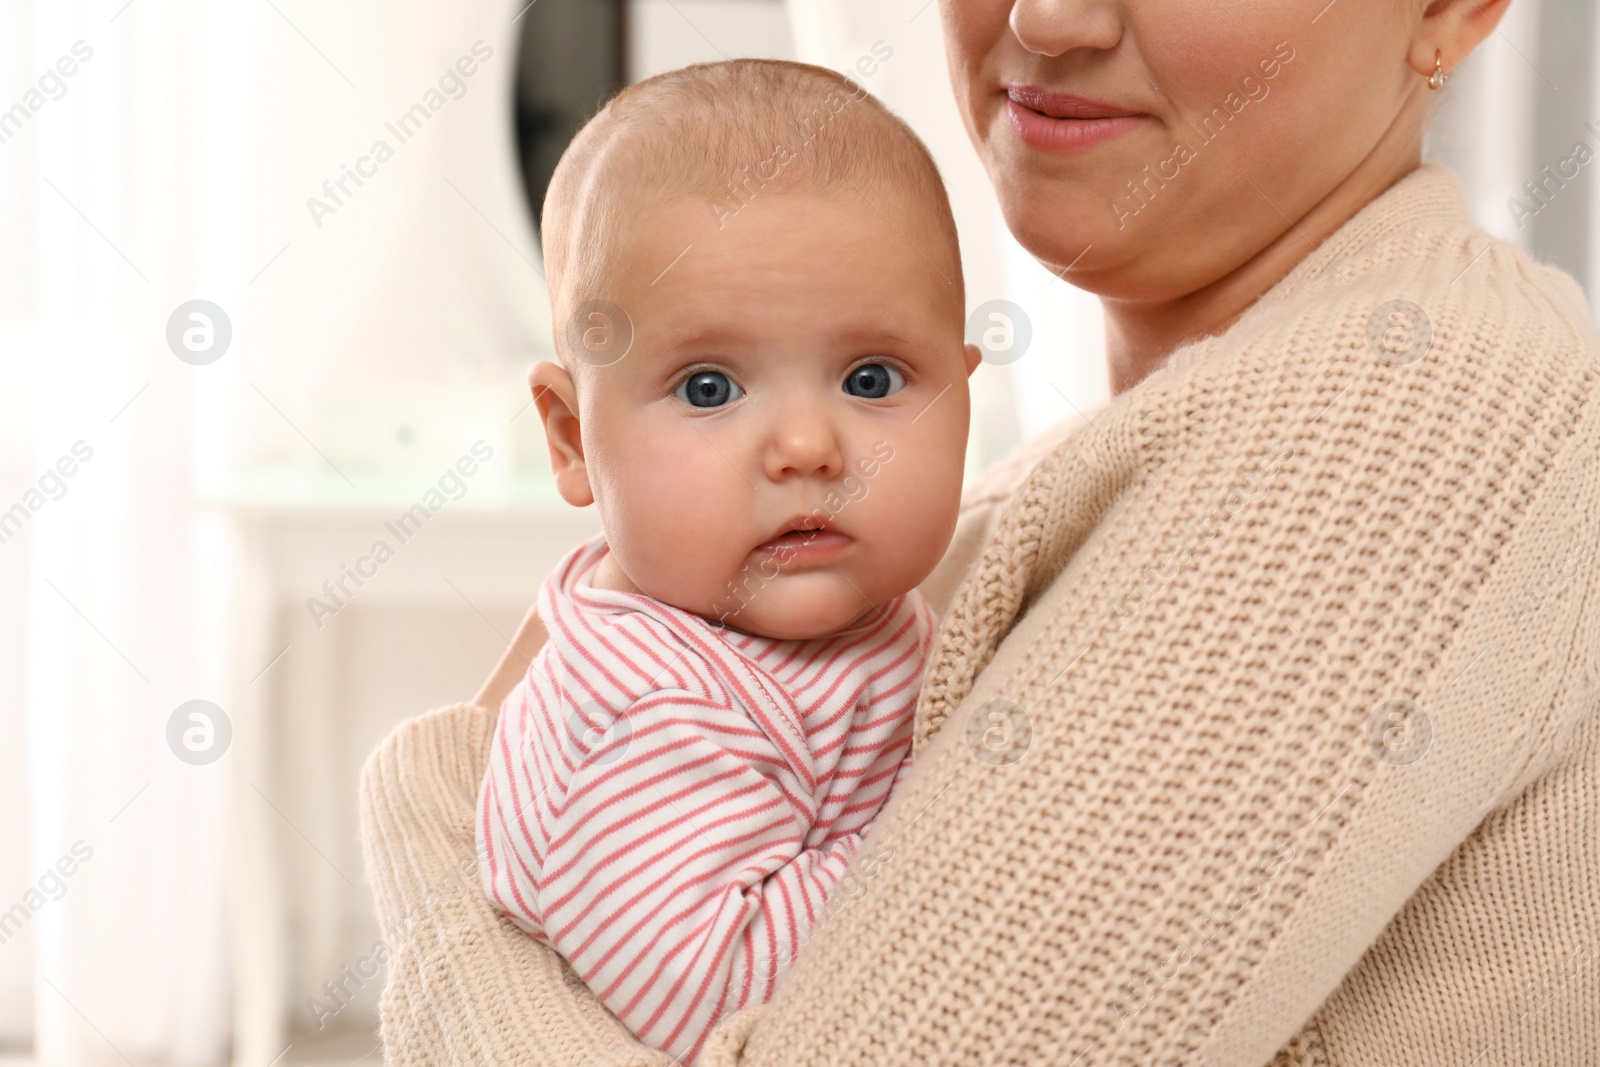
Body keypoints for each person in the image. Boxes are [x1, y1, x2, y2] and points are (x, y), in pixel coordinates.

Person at [359, 0, 1600, 1062]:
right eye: (708, 387)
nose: (1047, 18)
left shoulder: (1403, 413)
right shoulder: (1004, 508)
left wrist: (431, 822)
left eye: (871, 377)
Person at [474, 59, 979, 1065]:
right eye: (708, 388)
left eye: (870, 377)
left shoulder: (868, 602)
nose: (805, 446)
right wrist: (970, 822)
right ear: (573, 439)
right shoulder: (640, 704)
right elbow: (705, 993)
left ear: (963, 393)